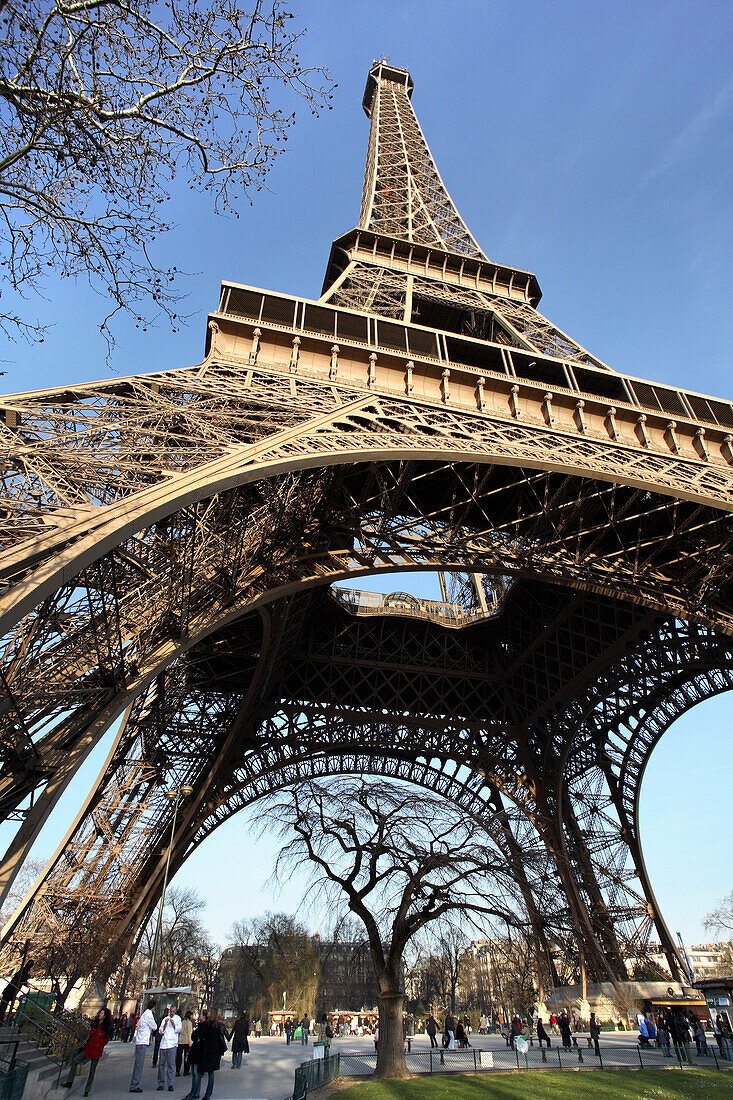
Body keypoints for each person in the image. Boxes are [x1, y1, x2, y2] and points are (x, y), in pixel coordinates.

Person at [61, 1008, 112, 1097]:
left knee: (92, 1072)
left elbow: (106, 1040)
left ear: (105, 1016)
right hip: (88, 1049)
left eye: (102, 1013)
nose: (100, 1014)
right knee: (75, 1061)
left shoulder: (106, 1028)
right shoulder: (94, 1023)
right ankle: (70, 1081)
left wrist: (99, 1046)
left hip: (96, 1051)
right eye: (100, 1013)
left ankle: (87, 1090)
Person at [183, 1011, 226, 1100]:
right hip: (214, 1053)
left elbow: (199, 1036)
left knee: (199, 1074)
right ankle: (207, 1095)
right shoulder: (218, 1026)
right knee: (210, 1074)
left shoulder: (207, 1025)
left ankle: (193, 1093)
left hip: (207, 1052)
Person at [129, 1001, 157, 1093]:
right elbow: (154, 1026)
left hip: (139, 1041)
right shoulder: (149, 1015)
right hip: (142, 1042)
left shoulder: (144, 1014)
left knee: (138, 1064)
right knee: (139, 1065)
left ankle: (134, 1083)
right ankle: (134, 1085)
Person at [0, 958, 33, 1024]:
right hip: (10, 991)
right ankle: (1, 1020)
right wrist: (26, 982)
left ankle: (2, 1020)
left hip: (10, 991)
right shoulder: (24, 971)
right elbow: (22, 980)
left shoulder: (23, 971)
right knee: (3, 1007)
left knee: (3, 1007)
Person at [156, 1004, 181, 1091]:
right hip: (164, 1044)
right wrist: (165, 1024)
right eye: (171, 1011)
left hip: (172, 1044)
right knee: (161, 1065)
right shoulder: (165, 1019)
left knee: (171, 1065)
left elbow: (179, 1029)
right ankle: (160, 1083)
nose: (172, 1013)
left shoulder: (177, 1019)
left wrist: (174, 1025)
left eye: (173, 1012)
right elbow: (160, 1031)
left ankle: (170, 1084)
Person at [177, 1012, 193, 1077]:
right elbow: (189, 1033)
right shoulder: (189, 1023)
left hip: (180, 1041)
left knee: (179, 1057)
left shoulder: (182, 1021)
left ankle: (177, 1071)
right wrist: (190, 1042)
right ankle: (186, 1070)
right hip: (186, 1041)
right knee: (186, 1057)